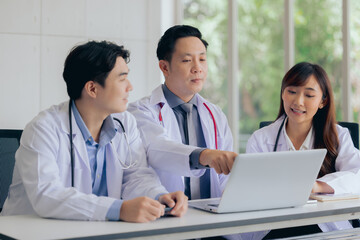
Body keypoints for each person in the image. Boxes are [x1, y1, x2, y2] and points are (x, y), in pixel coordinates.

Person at [1, 41, 187, 222]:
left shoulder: (125, 123)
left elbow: (136, 176)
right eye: (122, 78)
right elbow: (47, 195)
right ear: (92, 88)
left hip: (93, 231)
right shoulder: (43, 129)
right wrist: (118, 209)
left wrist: (159, 196)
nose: (130, 87)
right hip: (29, 232)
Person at [128, 25, 267, 240]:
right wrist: (204, 156)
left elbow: (225, 178)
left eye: (202, 59)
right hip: (165, 226)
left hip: (213, 228)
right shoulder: (140, 112)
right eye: (187, 60)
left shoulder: (215, 114)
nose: (197, 68)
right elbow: (159, 147)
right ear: (164, 67)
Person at [246, 62, 360, 238]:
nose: (298, 102)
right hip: (274, 226)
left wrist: (316, 186)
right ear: (283, 93)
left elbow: (357, 175)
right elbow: (249, 188)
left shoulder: (338, 136)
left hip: (323, 226)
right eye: (292, 92)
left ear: (323, 101)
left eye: (309, 95)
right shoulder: (260, 139)